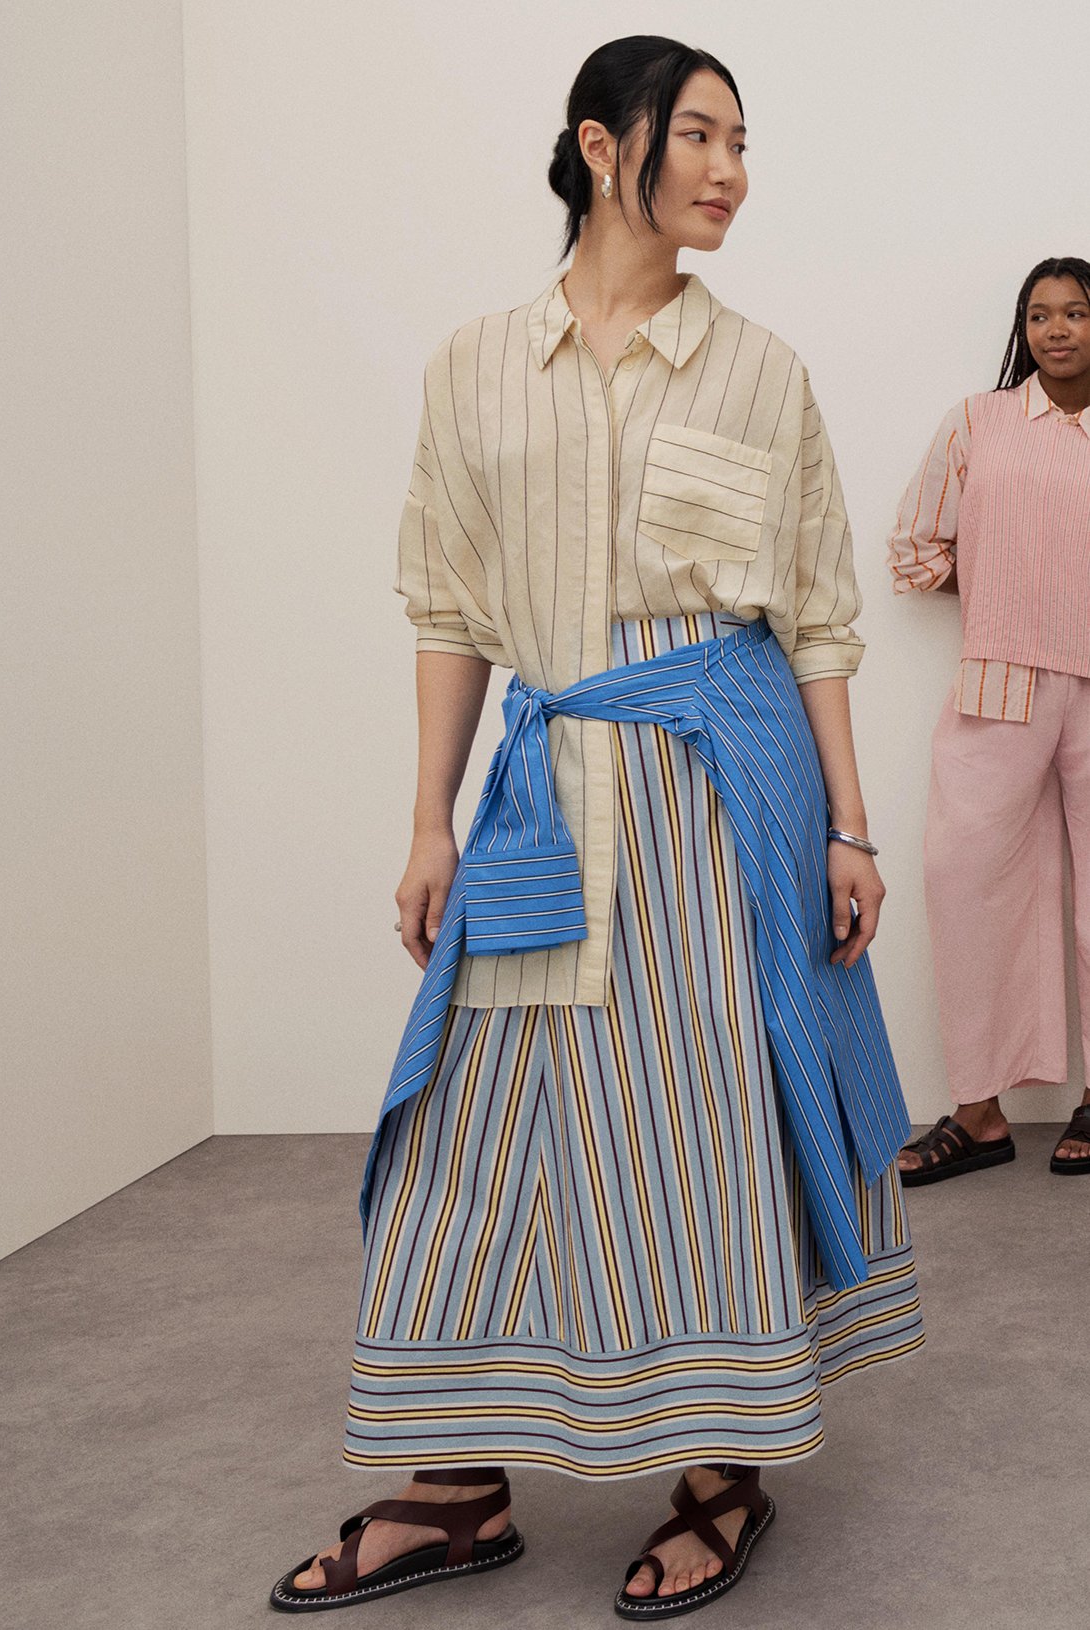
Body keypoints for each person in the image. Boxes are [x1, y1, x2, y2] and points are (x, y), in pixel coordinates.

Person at [272, 36, 922, 1619]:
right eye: (696, 135)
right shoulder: (474, 364)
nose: (728, 171)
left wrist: (848, 826)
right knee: (473, 1123)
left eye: (740, 143)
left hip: (715, 802)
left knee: (698, 1119)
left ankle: (719, 1469)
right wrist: (425, 821)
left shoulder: (759, 371)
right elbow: (447, 606)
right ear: (597, 144)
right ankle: (453, 1485)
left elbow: (815, 617)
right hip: (539, 795)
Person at [889, 257, 1090, 1186]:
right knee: (961, 877)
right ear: (1022, 328)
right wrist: (1014, 594)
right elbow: (916, 548)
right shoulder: (978, 421)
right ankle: (978, 1113)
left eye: (1074, 312)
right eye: (1038, 315)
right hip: (999, 679)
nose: (1056, 329)